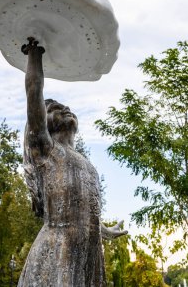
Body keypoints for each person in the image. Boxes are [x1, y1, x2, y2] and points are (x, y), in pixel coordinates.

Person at [18, 38, 127, 287]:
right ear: (41, 122)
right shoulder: (45, 150)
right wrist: (34, 52)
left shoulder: (87, 165)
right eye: (56, 108)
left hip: (88, 250)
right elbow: (34, 90)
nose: (65, 109)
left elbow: (87, 212)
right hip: (59, 247)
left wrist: (106, 230)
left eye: (66, 107)